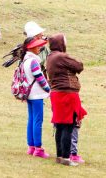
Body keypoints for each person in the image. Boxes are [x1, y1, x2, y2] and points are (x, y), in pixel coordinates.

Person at [45, 33, 86, 167]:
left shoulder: (50, 57)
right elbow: (79, 66)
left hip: (56, 94)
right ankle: (67, 158)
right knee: (68, 126)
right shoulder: (61, 57)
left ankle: (60, 155)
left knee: (60, 125)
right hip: (67, 94)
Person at [22, 37, 51, 159]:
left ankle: (31, 146)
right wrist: (49, 89)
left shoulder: (25, 60)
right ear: (30, 47)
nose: (39, 48)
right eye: (36, 46)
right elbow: (40, 78)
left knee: (31, 119)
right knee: (38, 121)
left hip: (29, 94)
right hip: (36, 95)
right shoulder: (33, 61)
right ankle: (38, 148)